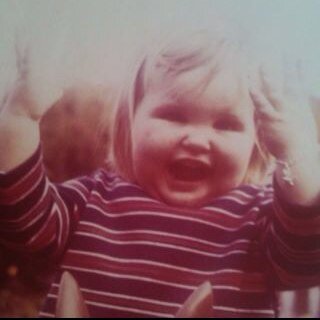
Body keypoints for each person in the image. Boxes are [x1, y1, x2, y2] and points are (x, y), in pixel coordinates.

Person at [0, 29, 319, 318]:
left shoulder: (259, 220)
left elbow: (304, 253)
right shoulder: (92, 200)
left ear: (256, 144)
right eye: (174, 116)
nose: (196, 139)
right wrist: (19, 119)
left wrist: (295, 156)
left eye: (226, 124)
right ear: (130, 124)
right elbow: (22, 223)